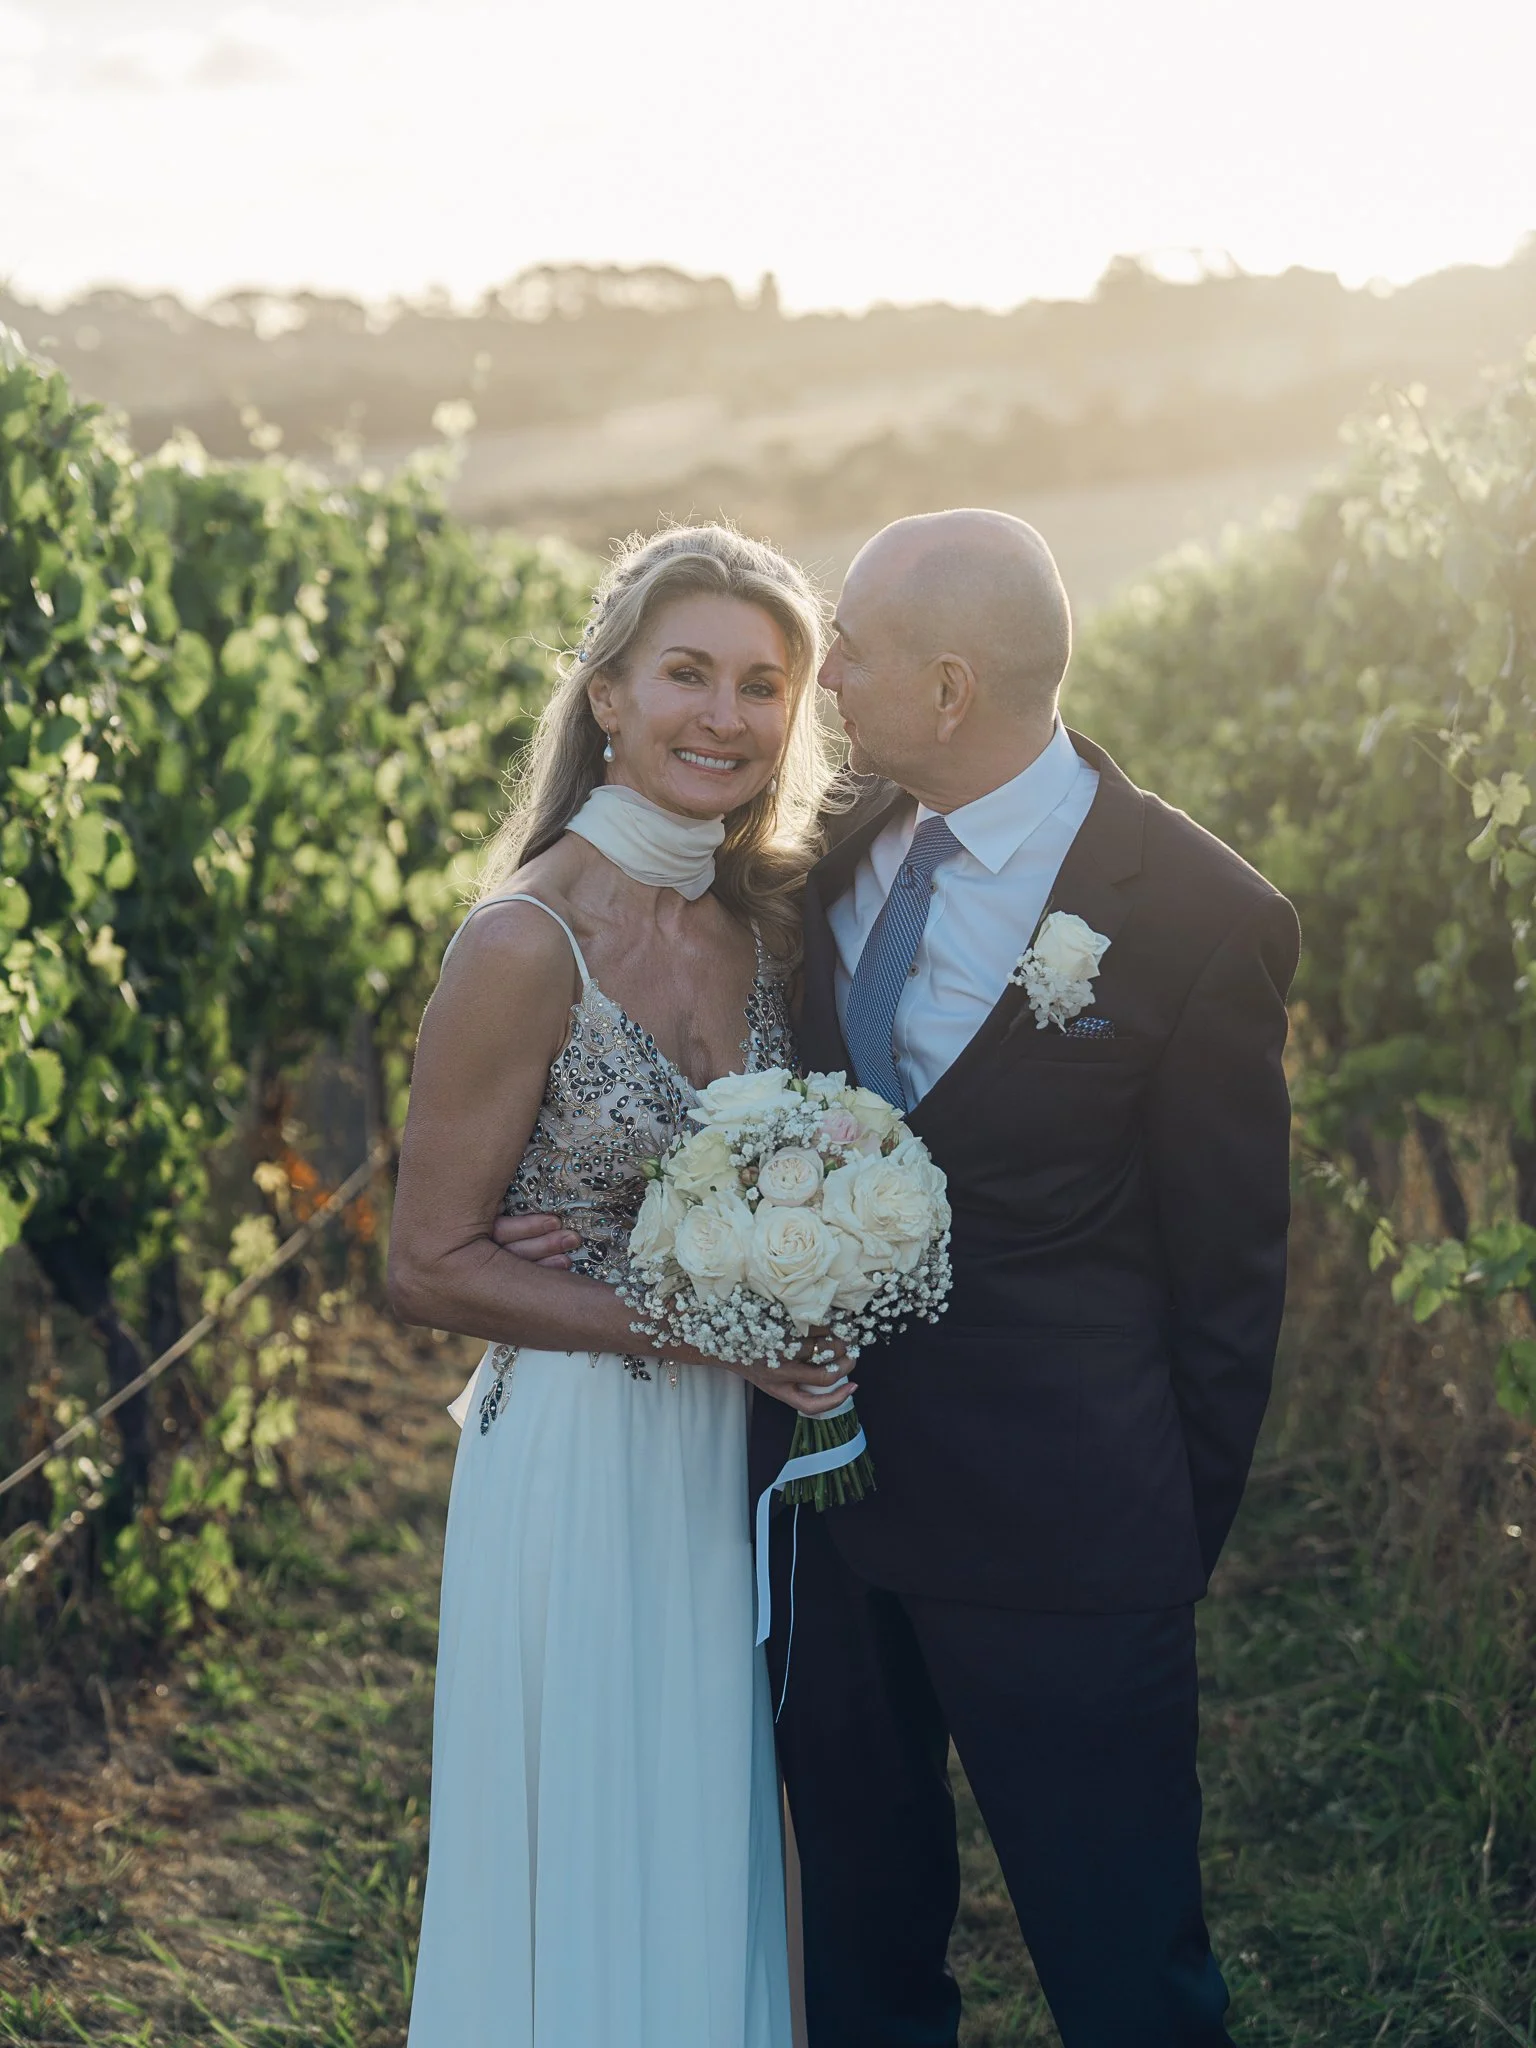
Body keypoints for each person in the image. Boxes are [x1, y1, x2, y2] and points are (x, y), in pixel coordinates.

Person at [500, 508, 1300, 2047]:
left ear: (947, 685)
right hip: (817, 1514)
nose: (818, 683)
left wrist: (1153, 1547)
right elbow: (696, 1090)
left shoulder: (1204, 919)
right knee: (858, 1961)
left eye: (844, 649)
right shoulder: (817, 847)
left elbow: (1228, 1283)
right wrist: (600, 1233)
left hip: (1067, 1541)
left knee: (1125, 1962)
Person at [389, 523, 847, 2048]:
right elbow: (427, 1262)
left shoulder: (767, 930)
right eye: (687, 675)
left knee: (719, 1813)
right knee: (590, 1810)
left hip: (736, 1459)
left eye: (764, 685)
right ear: (607, 697)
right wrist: (705, 1322)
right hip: (579, 1458)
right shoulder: (525, 942)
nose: (726, 715)